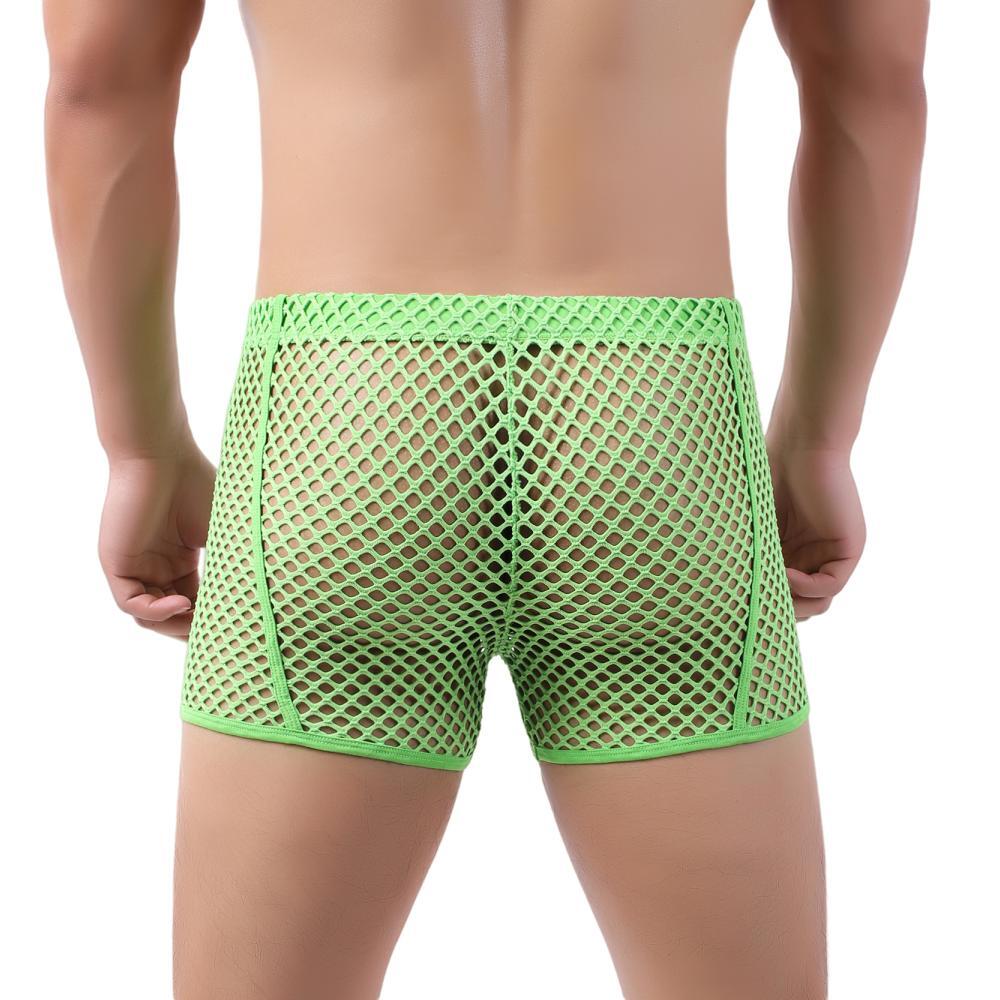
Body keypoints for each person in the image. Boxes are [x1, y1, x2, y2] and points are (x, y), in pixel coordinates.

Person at [42, 1, 927, 997]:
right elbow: (874, 87)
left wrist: (140, 449)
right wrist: (817, 437)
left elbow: (98, 83)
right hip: (649, 420)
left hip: (349, 418)